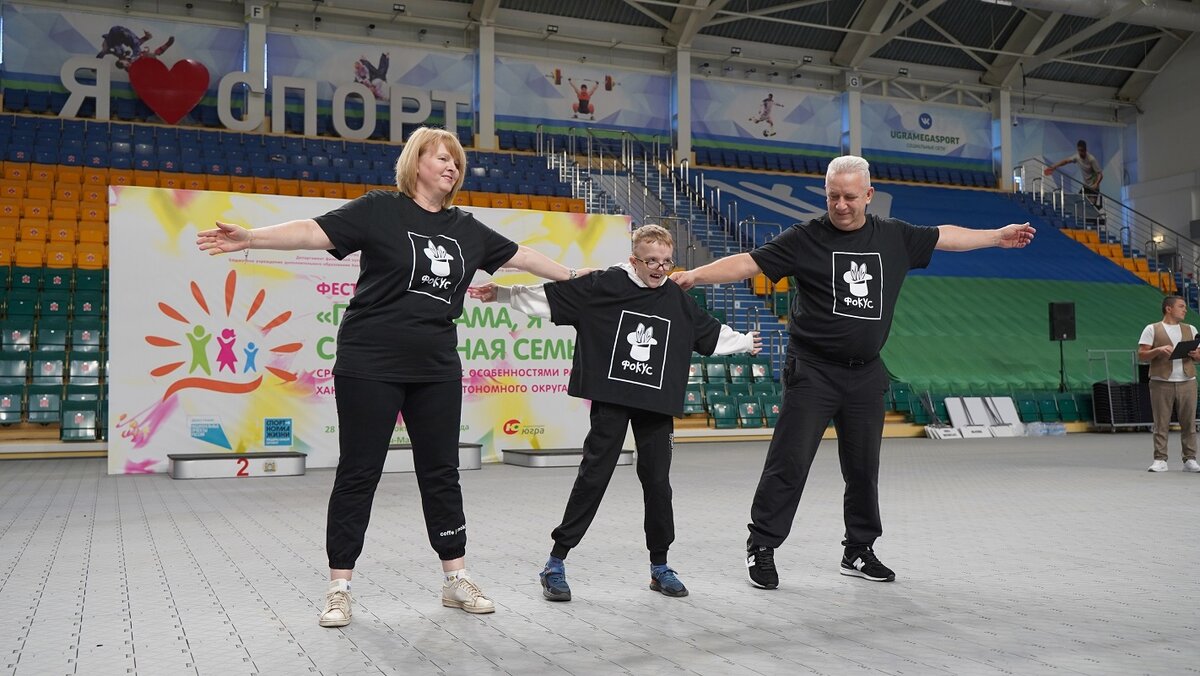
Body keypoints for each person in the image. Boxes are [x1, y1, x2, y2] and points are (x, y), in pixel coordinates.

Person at [196, 126, 586, 627]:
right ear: (415, 163)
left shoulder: (467, 228)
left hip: (436, 366)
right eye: (441, 157)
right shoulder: (380, 209)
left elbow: (523, 257)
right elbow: (315, 232)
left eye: (456, 161)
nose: (451, 166)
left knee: (441, 471)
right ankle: (339, 587)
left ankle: (455, 578)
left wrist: (578, 279)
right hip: (369, 362)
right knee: (360, 472)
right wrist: (252, 238)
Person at [670, 155, 1036, 590]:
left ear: (868, 195)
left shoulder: (894, 236)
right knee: (789, 462)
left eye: (849, 196)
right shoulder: (805, 238)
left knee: (863, 468)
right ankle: (761, 546)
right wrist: (694, 274)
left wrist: (998, 236)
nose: (840, 205)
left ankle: (858, 549)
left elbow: (946, 237)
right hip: (813, 371)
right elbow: (748, 263)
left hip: (865, 374)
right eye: (832, 197)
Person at [468, 224, 761, 601]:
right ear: (634, 260)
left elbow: (708, 332)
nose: (660, 268)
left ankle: (660, 566)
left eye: (667, 262)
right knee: (594, 477)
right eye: (652, 261)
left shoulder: (676, 297)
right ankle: (555, 563)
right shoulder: (604, 285)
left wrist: (743, 342)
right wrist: (506, 294)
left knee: (658, 484)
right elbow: (550, 298)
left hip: (655, 405)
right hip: (613, 398)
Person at [1137, 295, 1200, 473]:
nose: (1185, 310)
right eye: (1181, 306)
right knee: (1161, 423)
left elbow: (1199, 356)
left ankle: (1190, 459)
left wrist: (1196, 355)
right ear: (1169, 309)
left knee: (1189, 423)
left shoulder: (1191, 329)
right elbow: (1141, 354)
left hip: (1187, 381)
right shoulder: (1152, 329)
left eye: (1185, 307)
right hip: (1161, 382)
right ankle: (1160, 459)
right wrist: (1158, 350)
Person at [1045, 140, 1103, 209]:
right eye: (1079, 150)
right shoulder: (1077, 157)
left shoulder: (1091, 159)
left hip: (1094, 188)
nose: (1080, 152)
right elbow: (1066, 161)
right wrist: (1054, 166)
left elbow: (1100, 174)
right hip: (1086, 187)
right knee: (1077, 204)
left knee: (1089, 207)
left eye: (1082, 150)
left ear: (1085, 150)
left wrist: (1096, 184)